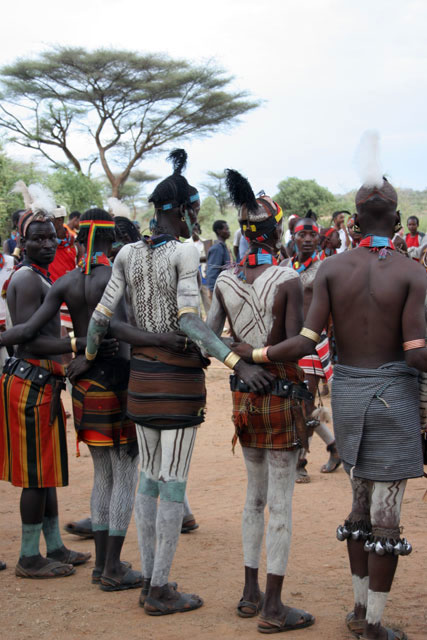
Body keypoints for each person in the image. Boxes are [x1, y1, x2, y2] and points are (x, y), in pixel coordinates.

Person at [68, 149, 273, 616]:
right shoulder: (185, 251)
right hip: (177, 385)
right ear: (181, 211)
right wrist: (235, 364)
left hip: (140, 384)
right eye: (193, 210)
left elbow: (101, 320)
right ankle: (159, 589)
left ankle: (149, 582)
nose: (196, 218)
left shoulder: (126, 254)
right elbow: (187, 320)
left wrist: (88, 358)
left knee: (148, 482)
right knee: (173, 485)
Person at [232, 176, 425, 640]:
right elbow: (417, 354)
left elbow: (305, 342)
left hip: (349, 395)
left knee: (359, 507)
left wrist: (252, 355)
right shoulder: (413, 273)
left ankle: (359, 611)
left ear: (354, 221)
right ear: (397, 220)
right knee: (385, 515)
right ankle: (373, 625)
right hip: (394, 398)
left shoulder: (332, 270)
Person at [207, 169, 315, 634]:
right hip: (281, 393)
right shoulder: (289, 279)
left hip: (245, 396)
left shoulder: (225, 280)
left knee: (253, 498)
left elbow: (209, 337)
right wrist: (258, 355)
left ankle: (249, 593)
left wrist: (239, 360)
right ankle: (273, 606)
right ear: (276, 232)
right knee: (281, 505)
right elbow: (295, 345)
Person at [0, 202, 91, 578]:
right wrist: (77, 344)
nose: (48, 244)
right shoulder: (26, 279)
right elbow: (30, 341)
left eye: (52, 237)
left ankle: (53, 546)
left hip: (42, 384)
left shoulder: (40, 276)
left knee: (47, 473)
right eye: (38, 239)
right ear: (22, 243)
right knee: (37, 476)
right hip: (31, 384)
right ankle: (28, 557)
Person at [282, 215, 340, 482]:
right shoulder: (284, 267)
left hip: (313, 344)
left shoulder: (326, 268)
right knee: (294, 404)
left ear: (319, 238)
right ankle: (333, 446)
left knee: (303, 404)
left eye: (312, 235)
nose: (306, 239)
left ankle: (300, 461)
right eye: (301, 235)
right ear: (293, 237)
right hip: (287, 346)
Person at [184, 222, 210, 316]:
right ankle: (199, 319)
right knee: (195, 300)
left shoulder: (206, 242)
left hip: (203, 273)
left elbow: (209, 258)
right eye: (192, 230)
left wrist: (196, 259)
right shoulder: (186, 243)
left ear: (199, 230)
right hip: (192, 273)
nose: (194, 232)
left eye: (195, 229)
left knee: (207, 299)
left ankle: (210, 319)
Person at [206, 220, 232, 293]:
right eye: (226, 229)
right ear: (219, 231)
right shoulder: (217, 248)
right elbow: (212, 271)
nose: (229, 231)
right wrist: (213, 291)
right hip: (218, 289)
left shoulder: (224, 247)